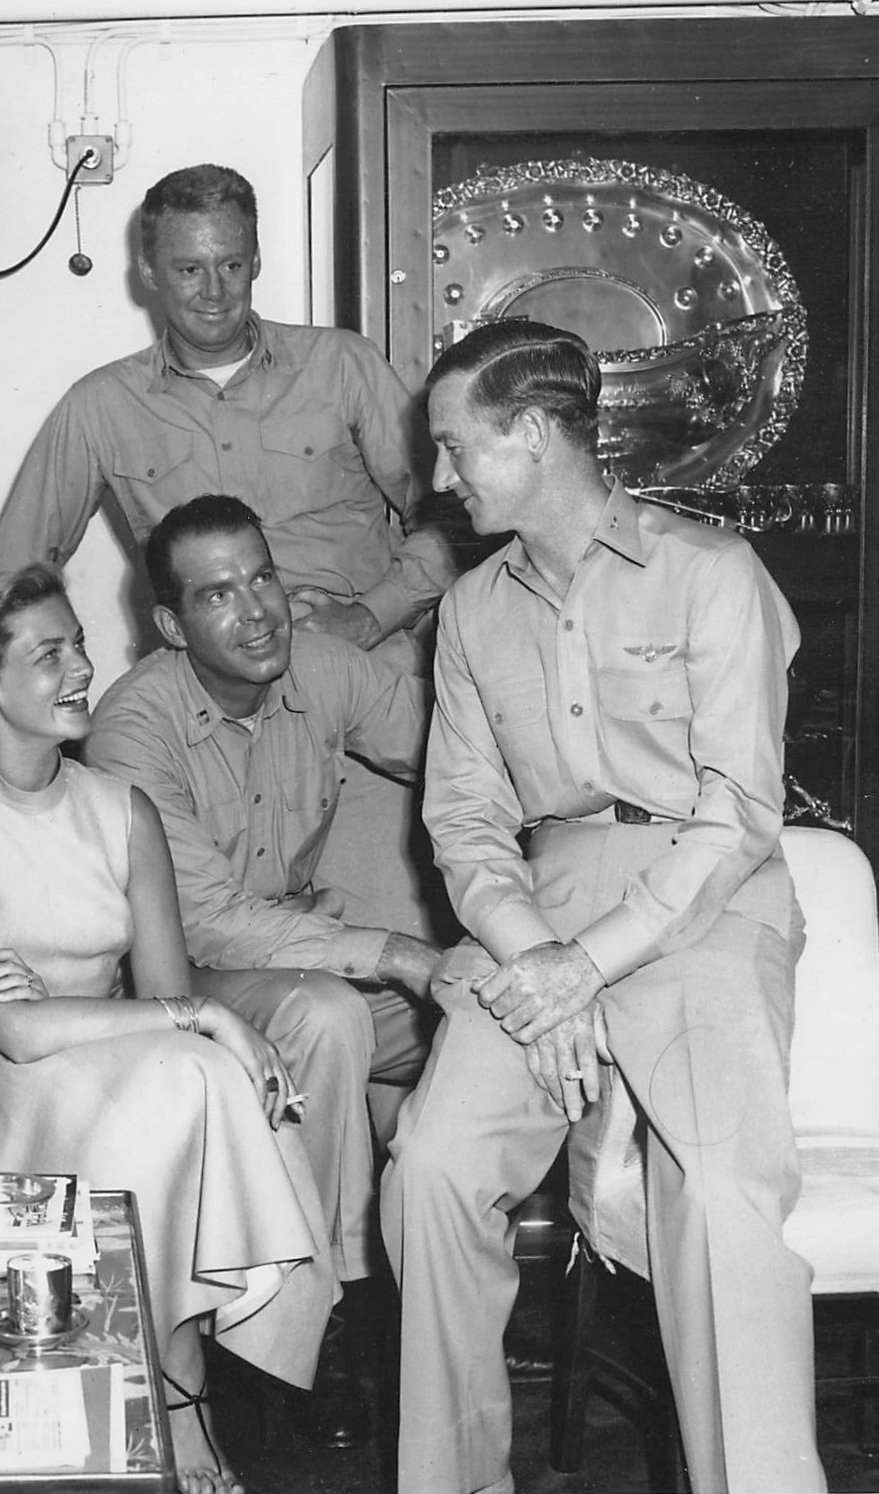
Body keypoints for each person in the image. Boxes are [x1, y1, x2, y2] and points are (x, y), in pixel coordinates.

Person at [382, 320, 824, 1494]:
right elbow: (464, 825)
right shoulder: (471, 613)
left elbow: (736, 814)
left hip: (707, 903)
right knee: (429, 1165)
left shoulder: (710, 572)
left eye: (452, 446)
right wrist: (542, 961)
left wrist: (592, 963)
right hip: (537, 910)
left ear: (531, 435)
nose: (438, 477)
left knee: (721, 1201)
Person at [0, 563, 337, 1494]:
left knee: (191, 1078)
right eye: (49, 653)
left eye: (80, 646)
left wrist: (165, 1015)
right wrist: (198, 1014)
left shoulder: (123, 809)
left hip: (103, 1060)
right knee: (194, 1071)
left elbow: (161, 998)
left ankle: (166, 1376)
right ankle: (178, 1394)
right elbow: (16, 1034)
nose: (80, 669)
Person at [0, 161, 453, 945]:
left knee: (399, 960)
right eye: (188, 269)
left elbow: (452, 513)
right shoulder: (101, 405)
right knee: (230, 951)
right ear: (147, 274)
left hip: (361, 712)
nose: (213, 290)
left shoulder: (341, 365)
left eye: (232, 265)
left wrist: (374, 614)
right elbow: (8, 581)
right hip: (211, 736)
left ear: (257, 259)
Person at [87, 494, 436, 1442]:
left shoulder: (316, 662)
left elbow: (447, 752)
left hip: (291, 952)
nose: (257, 611)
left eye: (264, 576)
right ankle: (307, 1337)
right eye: (217, 595)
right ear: (171, 624)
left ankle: (426, 1309)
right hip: (172, 984)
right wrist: (398, 952)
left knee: (476, 1006)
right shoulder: (134, 728)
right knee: (328, 1013)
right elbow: (210, 923)